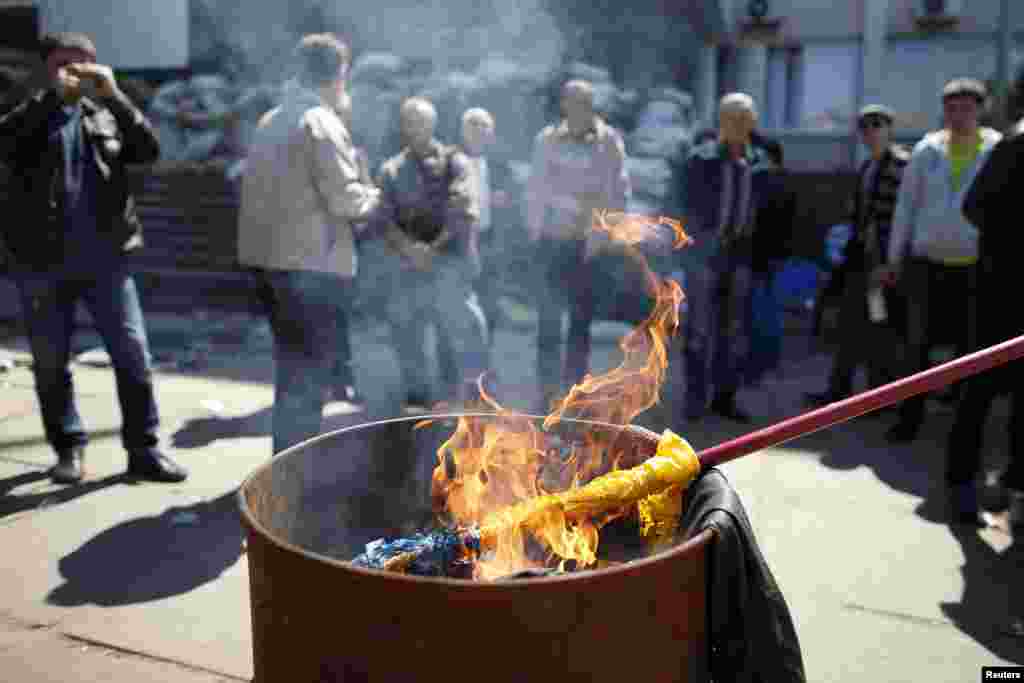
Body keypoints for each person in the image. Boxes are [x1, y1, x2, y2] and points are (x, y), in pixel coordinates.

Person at [0, 31, 187, 483]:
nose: (78, 71)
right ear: (48, 67)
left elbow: (149, 151)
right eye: (68, 63)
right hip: (41, 260)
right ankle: (68, 449)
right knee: (50, 359)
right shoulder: (29, 113)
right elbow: (6, 143)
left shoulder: (107, 113)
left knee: (132, 354)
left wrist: (115, 95)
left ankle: (144, 450)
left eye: (86, 63)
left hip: (106, 259)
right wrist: (50, 100)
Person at [237, 33, 380, 454]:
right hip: (311, 267)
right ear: (340, 74)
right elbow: (346, 199)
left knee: (292, 370)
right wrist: (377, 195)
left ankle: (283, 460)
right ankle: (294, 471)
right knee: (310, 375)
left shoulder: (271, 119)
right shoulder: (321, 121)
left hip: (269, 264)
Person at [879, 78, 1002, 444]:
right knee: (916, 345)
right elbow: (906, 207)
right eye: (952, 108)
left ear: (981, 110)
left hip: (976, 266)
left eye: (967, 107)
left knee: (971, 349)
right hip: (926, 263)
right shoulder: (927, 149)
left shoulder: (998, 148)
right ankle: (909, 418)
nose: (959, 115)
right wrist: (893, 258)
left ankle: (961, 425)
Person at [373, 96, 488, 407]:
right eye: (409, 121)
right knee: (406, 337)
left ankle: (464, 409)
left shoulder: (456, 163)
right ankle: (417, 407)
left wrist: (431, 250)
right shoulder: (391, 170)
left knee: (463, 334)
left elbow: (462, 207)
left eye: (421, 121)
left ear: (432, 124)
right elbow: (381, 217)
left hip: (449, 262)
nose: (415, 128)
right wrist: (409, 249)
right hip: (407, 267)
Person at [526, 79, 630, 410]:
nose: (578, 109)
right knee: (548, 319)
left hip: (587, 244)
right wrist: (535, 230)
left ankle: (573, 392)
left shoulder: (609, 141)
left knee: (580, 322)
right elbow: (536, 186)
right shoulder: (546, 140)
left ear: (592, 107)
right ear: (564, 106)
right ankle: (545, 391)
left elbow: (618, 191)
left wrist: (602, 234)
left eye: (584, 103)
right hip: (552, 242)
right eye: (572, 103)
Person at [943, 106, 1024, 523]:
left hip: (1005, 289)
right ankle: (961, 487)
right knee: (978, 390)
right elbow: (972, 206)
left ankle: (1014, 487)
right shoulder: (1013, 147)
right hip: (999, 293)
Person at [805, 105, 910, 407]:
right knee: (850, 325)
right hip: (860, 262)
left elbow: (903, 218)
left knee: (880, 329)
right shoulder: (867, 167)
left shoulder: (902, 164)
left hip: (884, 265)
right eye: (865, 126)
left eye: (877, 124)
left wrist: (892, 262)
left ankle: (880, 397)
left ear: (890, 129)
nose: (871, 131)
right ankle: (839, 392)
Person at [679, 93, 773, 423]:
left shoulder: (761, 162)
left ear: (753, 122)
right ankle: (694, 398)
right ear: (720, 121)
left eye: (744, 117)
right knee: (699, 329)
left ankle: (724, 398)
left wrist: (765, 256)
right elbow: (681, 207)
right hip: (705, 256)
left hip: (741, 255)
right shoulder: (699, 159)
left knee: (732, 331)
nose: (737, 124)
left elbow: (771, 213)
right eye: (731, 117)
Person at [746, 135, 795, 386]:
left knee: (759, 312)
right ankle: (770, 363)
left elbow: (756, 219)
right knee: (772, 310)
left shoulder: (762, 179)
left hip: (760, 255)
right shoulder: (787, 179)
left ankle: (758, 366)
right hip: (779, 255)